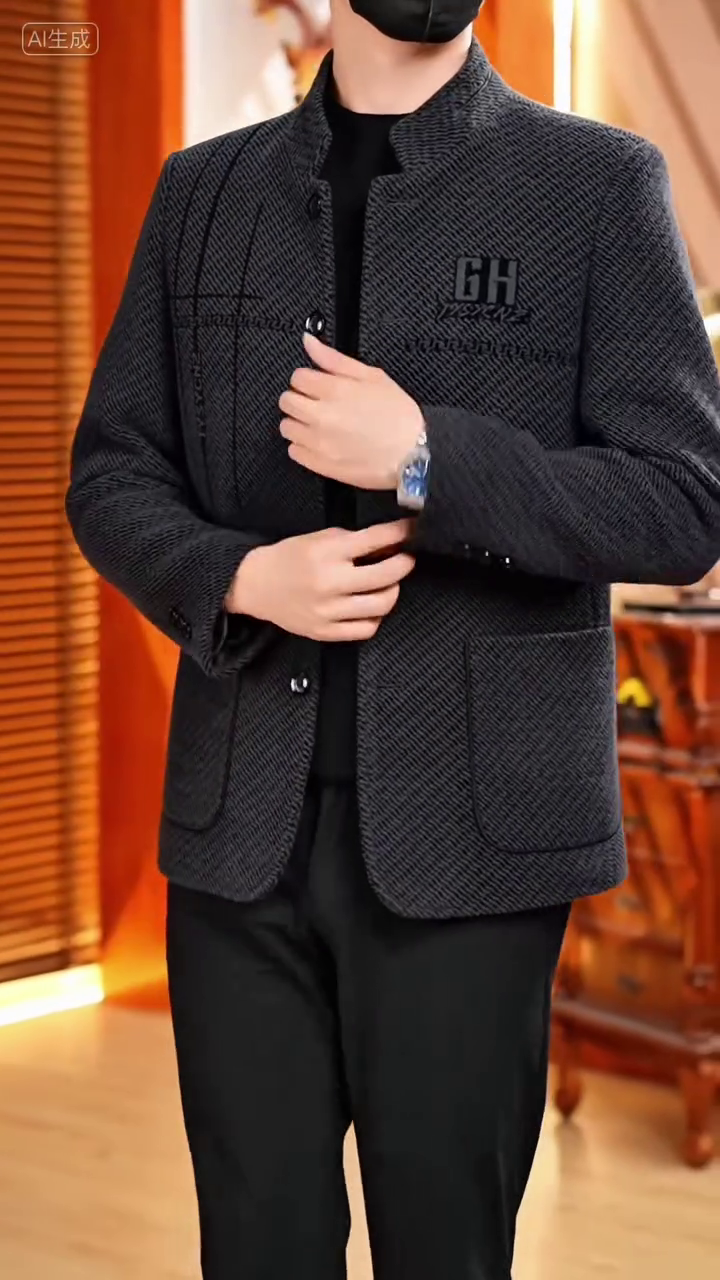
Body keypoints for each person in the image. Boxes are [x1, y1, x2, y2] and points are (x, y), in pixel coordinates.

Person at [65, 1, 720, 1276]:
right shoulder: (201, 193)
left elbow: (686, 501)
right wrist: (244, 575)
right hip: (237, 846)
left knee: (445, 1254)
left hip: (476, 851)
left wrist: (429, 456)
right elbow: (113, 473)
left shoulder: (598, 184)